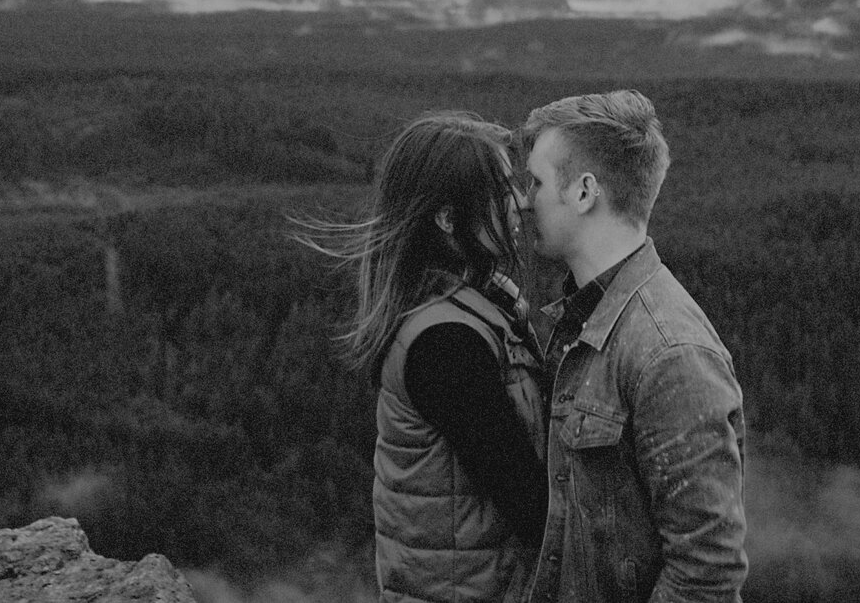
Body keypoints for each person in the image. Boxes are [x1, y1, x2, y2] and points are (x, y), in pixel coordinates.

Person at [299, 111, 551, 603]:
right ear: (447, 220)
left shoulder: (461, 307)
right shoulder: (447, 344)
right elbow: (529, 503)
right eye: (501, 192)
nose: (522, 202)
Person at [515, 91, 746, 603]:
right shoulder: (584, 319)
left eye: (535, 181)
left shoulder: (670, 354)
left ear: (584, 192)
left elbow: (706, 573)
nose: (523, 200)